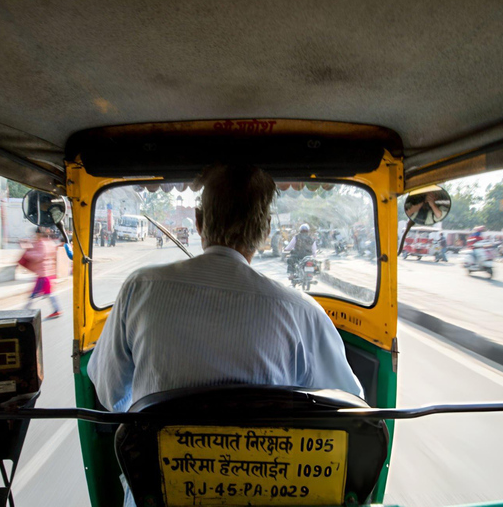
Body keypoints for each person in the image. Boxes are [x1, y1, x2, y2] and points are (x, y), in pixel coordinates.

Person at [88, 163, 362, 506]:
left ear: (200, 222)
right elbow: (351, 409)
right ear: (264, 232)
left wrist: (156, 427)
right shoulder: (302, 311)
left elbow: (110, 390)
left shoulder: (139, 289)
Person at [20, 229, 62, 319]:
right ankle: (56, 309)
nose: (35, 236)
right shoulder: (50, 243)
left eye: (36, 234)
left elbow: (40, 256)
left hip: (43, 274)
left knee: (36, 294)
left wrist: (27, 253)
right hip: (49, 272)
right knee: (48, 293)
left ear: (39, 234)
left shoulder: (41, 243)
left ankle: (24, 311)